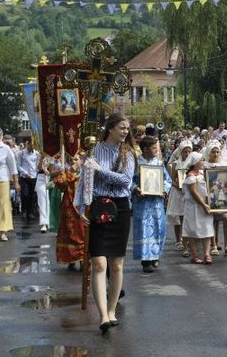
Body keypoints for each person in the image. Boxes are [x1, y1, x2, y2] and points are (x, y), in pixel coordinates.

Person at [77, 113, 135, 334]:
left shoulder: (127, 153)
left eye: (127, 128)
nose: (125, 132)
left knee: (116, 264)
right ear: (110, 128)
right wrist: (82, 207)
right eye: (121, 127)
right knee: (99, 263)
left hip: (120, 207)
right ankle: (102, 315)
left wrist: (102, 171)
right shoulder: (94, 151)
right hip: (99, 206)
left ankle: (112, 310)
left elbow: (126, 181)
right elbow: (85, 181)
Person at [132, 136, 172, 273]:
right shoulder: (136, 164)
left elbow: (168, 180)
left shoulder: (159, 163)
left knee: (158, 228)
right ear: (145, 149)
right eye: (154, 147)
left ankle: (155, 255)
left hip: (156, 203)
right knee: (144, 230)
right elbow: (129, 180)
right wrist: (135, 188)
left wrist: (164, 190)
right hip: (142, 203)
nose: (156, 150)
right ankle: (145, 261)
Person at [55, 152, 85, 271]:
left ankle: (83, 259)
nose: (74, 161)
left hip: (82, 206)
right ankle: (70, 259)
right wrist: (68, 172)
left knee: (82, 232)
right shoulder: (67, 173)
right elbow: (60, 184)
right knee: (68, 232)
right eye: (72, 159)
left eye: (76, 159)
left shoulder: (86, 173)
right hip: (69, 207)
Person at [204, 140, 227, 257]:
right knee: (212, 221)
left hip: (221, 197)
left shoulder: (223, 165)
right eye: (213, 152)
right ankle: (214, 245)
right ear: (209, 153)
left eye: (217, 152)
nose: (216, 154)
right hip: (210, 198)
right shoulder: (205, 166)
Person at [183, 152, 214, 264]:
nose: (202, 162)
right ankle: (194, 255)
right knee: (193, 230)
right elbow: (194, 193)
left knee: (207, 228)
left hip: (204, 204)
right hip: (194, 206)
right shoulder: (191, 176)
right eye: (201, 160)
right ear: (195, 163)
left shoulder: (202, 174)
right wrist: (204, 205)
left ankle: (207, 254)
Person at [166, 140, 193, 253]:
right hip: (178, 192)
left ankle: (187, 239)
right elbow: (171, 180)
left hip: (190, 192)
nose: (187, 154)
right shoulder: (175, 164)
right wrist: (179, 186)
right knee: (179, 217)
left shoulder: (192, 164)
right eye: (184, 151)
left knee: (187, 218)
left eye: (189, 151)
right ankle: (178, 240)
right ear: (180, 152)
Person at [18, 141, 40, 221]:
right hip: (24, 177)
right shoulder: (21, 153)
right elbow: (18, 165)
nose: (32, 146)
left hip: (33, 177)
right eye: (31, 145)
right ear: (28, 144)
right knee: (25, 194)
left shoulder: (36, 153)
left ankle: (30, 212)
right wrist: (25, 173)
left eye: (34, 145)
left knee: (33, 195)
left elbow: (37, 165)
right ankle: (24, 211)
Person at [35, 155, 51, 233]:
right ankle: (44, 223)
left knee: (49, 200)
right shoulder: (39, 154)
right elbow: (38, 168)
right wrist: (41, 158)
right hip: (41, 178)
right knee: (42, 201)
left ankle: (50, 222)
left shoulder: (56, 153)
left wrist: (50, 171)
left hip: (51, 177)